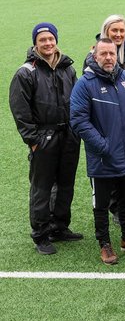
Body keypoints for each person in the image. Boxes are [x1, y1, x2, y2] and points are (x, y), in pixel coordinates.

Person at [70, 37, 125, 265]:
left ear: (117, 55)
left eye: (112, 54)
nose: (108, 58)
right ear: (95, 56)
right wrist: (103, 146)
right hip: (103, 159)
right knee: (102, 204)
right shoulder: (85, 84)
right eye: (103, 54)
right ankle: (104, 243)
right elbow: (79, 121)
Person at [10, 22, 82, 254]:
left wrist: (76, 131)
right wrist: (33, 140)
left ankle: (59, 227)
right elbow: (20, 111)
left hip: (69, 136)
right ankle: (41, 234)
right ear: (35, 43)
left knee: (66, 184)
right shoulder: (26, 72)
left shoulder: (67, 68)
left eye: (51, 39)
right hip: (44, 137)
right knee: (42, 188)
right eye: (43, 40)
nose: (48, 43)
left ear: (56, 40)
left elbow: (78, 101)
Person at [92, 14, 125, 78]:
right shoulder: (92, 57)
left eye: (122, 31)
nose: (118, 34)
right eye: (114, 30)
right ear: (106, 31)